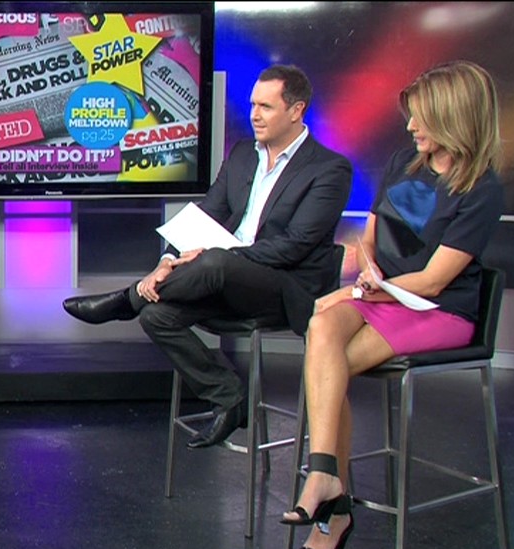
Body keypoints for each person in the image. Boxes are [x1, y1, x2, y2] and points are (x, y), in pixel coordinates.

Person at [280, 60, 505, 549]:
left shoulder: (482, 189)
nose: (411, 126)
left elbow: (433, 281)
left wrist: (358, 294)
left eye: (421, 117)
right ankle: (327, 479)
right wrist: (366, 273)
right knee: (322, 329)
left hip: (437, 310)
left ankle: (331, 506)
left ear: (453, 118)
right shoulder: (405, 162)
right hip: (384, 295)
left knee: (328, 360)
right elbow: (372, 235)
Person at [63, 64, 352, 448]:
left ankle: (127, 300)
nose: (254, 115)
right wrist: (167, 261)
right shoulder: (243, 154)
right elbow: (206, 214)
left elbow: (296, 245)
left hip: (283, 287)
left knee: (217, 260)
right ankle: (230, 398)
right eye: (253, 105)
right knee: (157, 316)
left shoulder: (329, 168)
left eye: (266, 107)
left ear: (296, 110)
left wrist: (222, 254)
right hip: (223, 279)